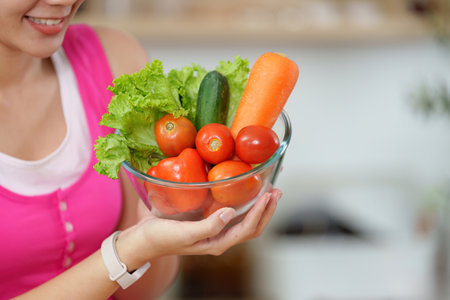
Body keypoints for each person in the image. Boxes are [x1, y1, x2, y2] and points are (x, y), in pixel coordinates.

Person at [0, 1, 282, 299]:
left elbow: (140, 292)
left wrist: (176, 217)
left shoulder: (113, 58)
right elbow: (134, 250)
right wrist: (129, 252)